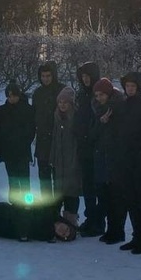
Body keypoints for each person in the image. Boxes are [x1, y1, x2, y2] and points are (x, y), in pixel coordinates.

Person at [116, 72, 141, 255]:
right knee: (131, 199)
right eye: (127, 86)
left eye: (133, 86)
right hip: (126, 159)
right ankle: (137, 235)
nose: (130, 89)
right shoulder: (123, 105)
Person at [91, 77, 127, 244]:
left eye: (102, 95)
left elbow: (120, 134)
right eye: (97, 95)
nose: (99, 98)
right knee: (104, 196)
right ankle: (110, 229)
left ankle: (117, 230)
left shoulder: (118, 108)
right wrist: (101, 123)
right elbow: (93, 134)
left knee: (116, 198)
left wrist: (107, 123)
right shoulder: (97, 109)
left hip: (115, 158)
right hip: (101, 157)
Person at [73, 62, 103, 235]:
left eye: (88, 76)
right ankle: (90, 218)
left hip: (96, 147)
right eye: (83, 76)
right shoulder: (81, 94)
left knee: (98, 186)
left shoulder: (98, 94)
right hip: (83, 146)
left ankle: (98, 222)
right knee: (87, 186)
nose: (85, 79)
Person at [0, 82, 36, 204]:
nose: (12, 98)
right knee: (12, 180)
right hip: (8, 151)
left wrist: (24, 141)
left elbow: (31, 130)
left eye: (14, 95)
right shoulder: (2, 110)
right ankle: (14, 204)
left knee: (24, 180)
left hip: (22, 150)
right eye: (9, 96)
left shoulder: (27, 109)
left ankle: (27, 204)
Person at [31, 61, 64, 205]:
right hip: (42, 140)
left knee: (58, 178)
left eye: (48, 76)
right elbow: (34, 116)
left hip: (58, 139)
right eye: (43, 76)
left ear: (53, 75)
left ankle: (57, 208)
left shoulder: (62, 90)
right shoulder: (37, 93)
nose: (45, 79)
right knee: (44, 177)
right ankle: (46, 208)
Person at [48, 87, 81, 224]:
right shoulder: (56, 116)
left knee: (71, 192)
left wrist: (75, 159)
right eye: (60, 102)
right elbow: (54, 139)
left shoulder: (75, 117)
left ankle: (71, 220)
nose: (62, 105)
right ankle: (57, 222)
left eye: (65, 102)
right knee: (58, 192)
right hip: (58, 161)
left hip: (72, 160)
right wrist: (52, 158)